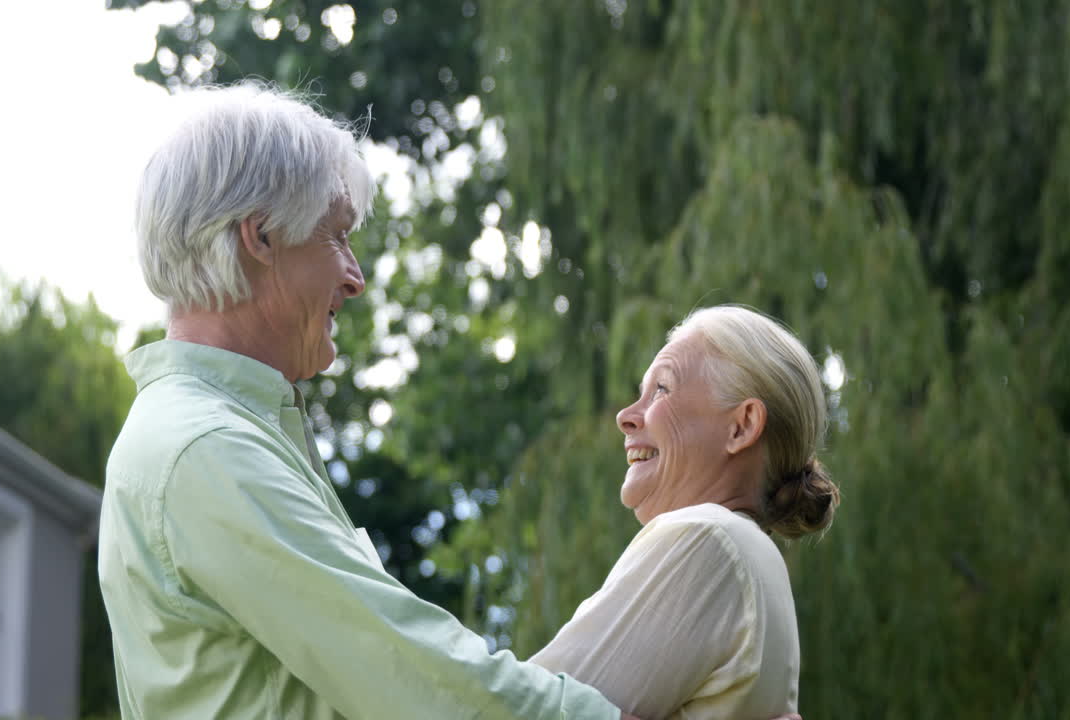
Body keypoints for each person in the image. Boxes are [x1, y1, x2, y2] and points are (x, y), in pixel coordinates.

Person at [98, 82, 800, 720]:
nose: (355, 276)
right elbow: (415, 678)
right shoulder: (205, 449)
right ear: (261, 237)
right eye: (336, 235)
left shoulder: (221, 438)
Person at [529, 305, 840, 719]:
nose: (626, 417)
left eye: (661, 389)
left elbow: (522, 709)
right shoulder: (752, 557)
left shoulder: (707, 538)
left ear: (742, 426)